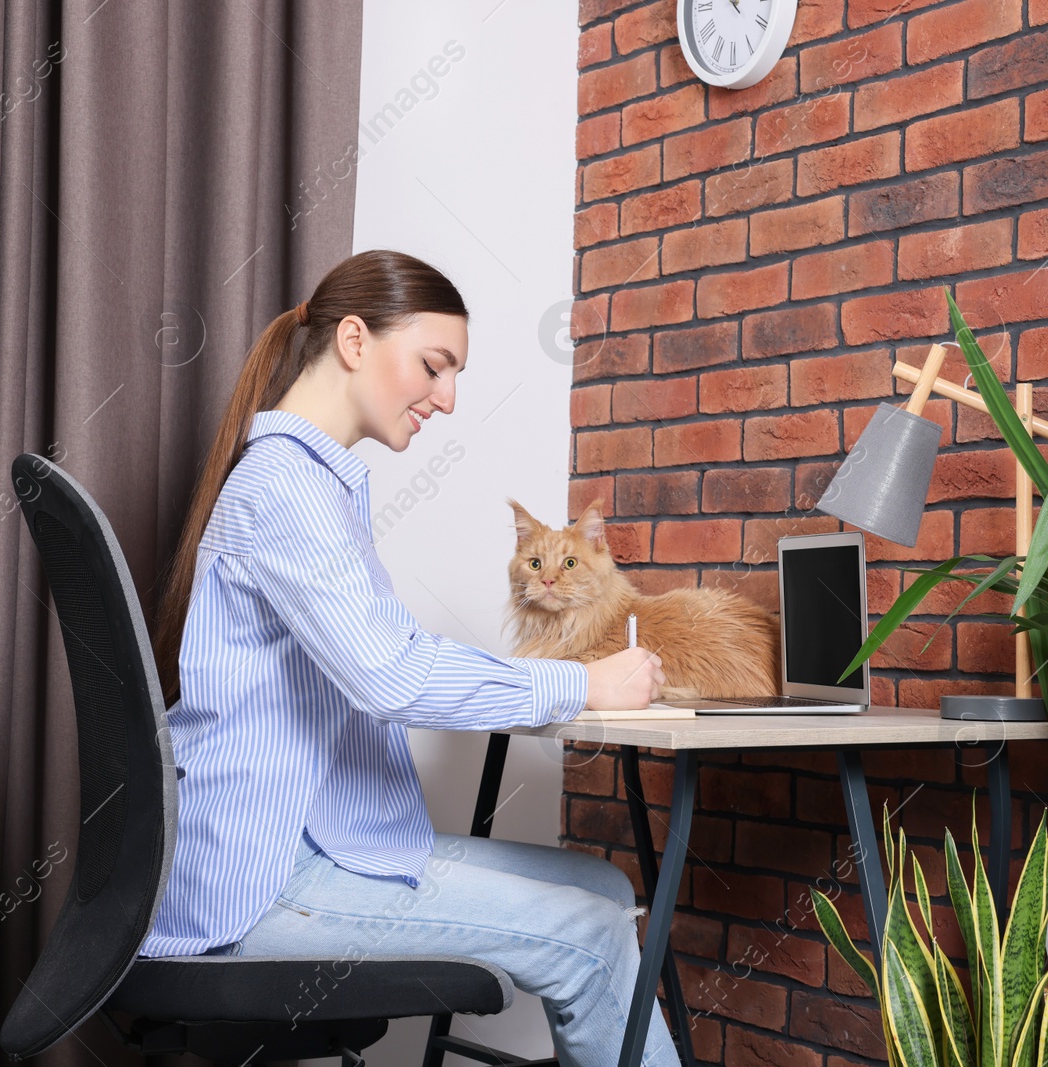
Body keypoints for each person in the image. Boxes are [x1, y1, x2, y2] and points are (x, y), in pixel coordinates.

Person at [143, 249, 680, 1067]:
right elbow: (393, 675)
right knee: (592, 935)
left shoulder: (317, 485)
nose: (449, 397)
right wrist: (582, 682)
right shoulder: (286, 487)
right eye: (435, 365)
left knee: (601, 890)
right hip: (263, 877)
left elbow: (388, 657)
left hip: (318, 839)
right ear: (354, 340)